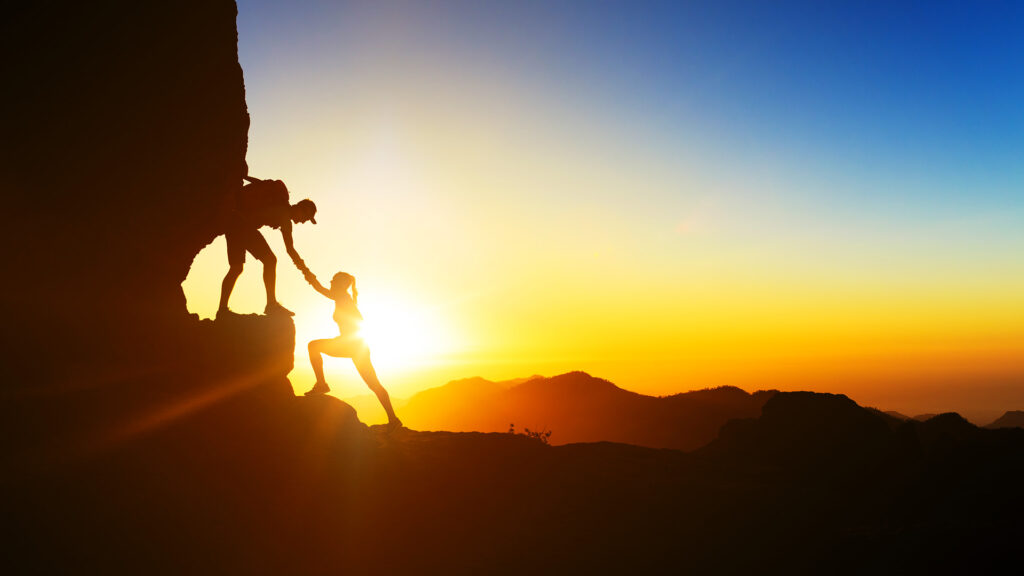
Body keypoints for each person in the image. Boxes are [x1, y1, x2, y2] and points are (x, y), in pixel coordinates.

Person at [301, 268, 403, 431]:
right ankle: (394, 420)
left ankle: (321, 384)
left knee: (313, 346)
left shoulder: (341, 296)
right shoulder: (343, 298)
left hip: (351, 345)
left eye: (334, 280)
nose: (331, 282)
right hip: (356, 345)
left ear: (342, 285)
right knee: (374, 384)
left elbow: (321, 290)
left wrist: (309, 277)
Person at [218, 176, 317, 317]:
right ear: (301, 209)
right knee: (270, 260)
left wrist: (242, 176)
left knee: (236, 268)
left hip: (233, 222)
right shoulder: (284, 216)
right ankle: (271, 304)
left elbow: (259, 183)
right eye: (306, 218)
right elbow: (290, 250)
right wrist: (306, 272)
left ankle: (222, 310)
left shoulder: (279, 201)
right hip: (243, 226)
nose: (303, 222)